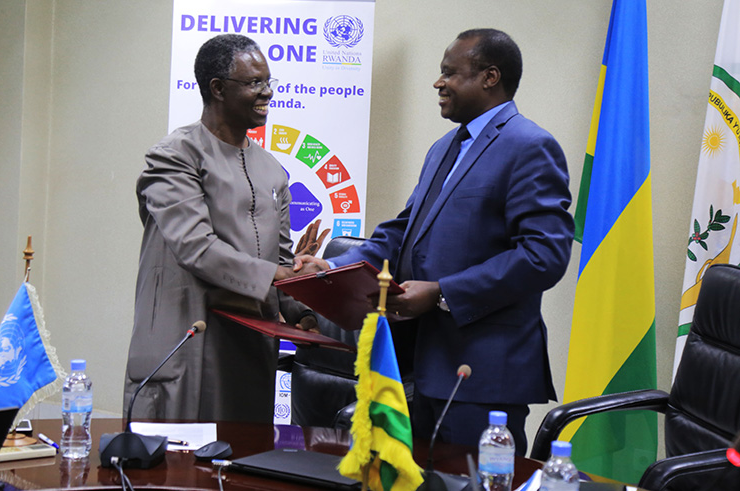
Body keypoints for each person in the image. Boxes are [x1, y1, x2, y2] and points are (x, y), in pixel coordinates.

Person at [296, 29, 574, 453]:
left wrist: (444, 294)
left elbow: (544, 256)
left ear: (490, 77)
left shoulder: (530, 146)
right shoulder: (444, 147)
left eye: (450, 73)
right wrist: (332, 269)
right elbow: (402, 232)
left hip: (481, 374)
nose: (438, 83)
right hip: (418, 369)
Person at [125, 34, 317, 423]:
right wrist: (278, 275)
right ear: (217, 88)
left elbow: (278, 259)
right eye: (254, 83)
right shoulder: (175, 156)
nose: (267, 93)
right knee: (178, 475)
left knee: (245, 467)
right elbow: (195, 247)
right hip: (186, 341)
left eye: (269, 82)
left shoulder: (272, 170)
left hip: (249, 346)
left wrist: (308, 302)